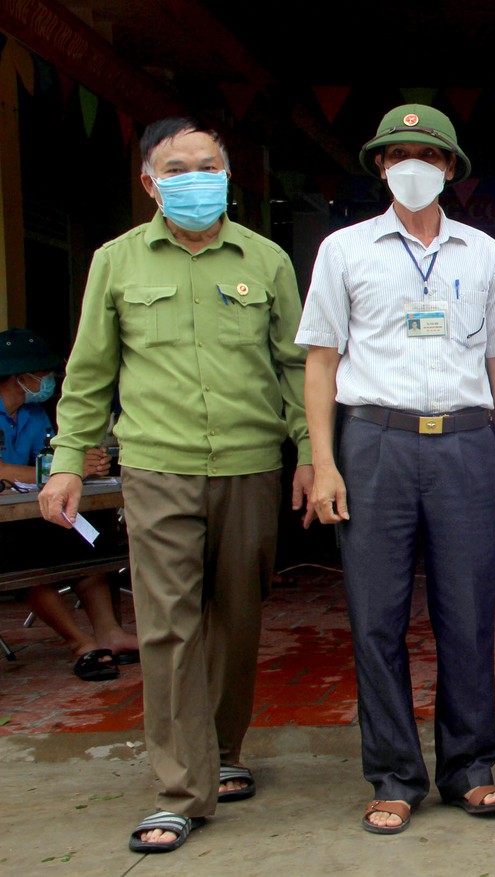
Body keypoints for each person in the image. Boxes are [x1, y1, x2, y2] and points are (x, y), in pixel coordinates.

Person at [38, 117, 313, 854]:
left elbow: (296, 366)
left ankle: (223, 749)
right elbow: (90, 369)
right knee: (168, 624)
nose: (197, 176)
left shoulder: (266, 260)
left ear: (228, 174)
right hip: (158, 465)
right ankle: (179, 787)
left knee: (237, 616)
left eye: (209, 164)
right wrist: (69, 457)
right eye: (179, 166)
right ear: (150, 181)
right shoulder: (116, 262)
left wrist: (312, 451)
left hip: (252, 464)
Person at [298, 104, 495, 835]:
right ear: (378, 167)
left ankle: (471, 767)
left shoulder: (483, 254)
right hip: (374, 441)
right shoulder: (344, 250)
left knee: (467, 609)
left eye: (427, 154)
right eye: (397, 153)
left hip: (464, 443)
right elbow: (321, 362)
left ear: (451, 169)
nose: (412, 165)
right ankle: (393, 774)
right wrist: (324, 461)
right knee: (376, 614)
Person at [0, 328, 136, 681]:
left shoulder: (34, 414)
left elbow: (48, 461)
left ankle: (110, 634)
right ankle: (81, 644)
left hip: (35, 511)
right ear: (20, 377)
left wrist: (82, 466)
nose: (47, 381)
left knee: (88, 542)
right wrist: (57, 469)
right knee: (29, 562)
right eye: (42, 374)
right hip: (6, 526)